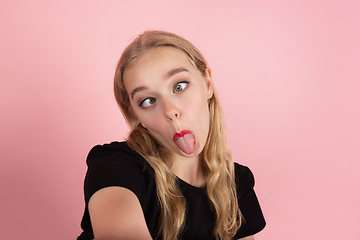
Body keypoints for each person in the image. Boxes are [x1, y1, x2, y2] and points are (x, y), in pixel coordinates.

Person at [77, 30, 265, 240]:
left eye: (179, 86)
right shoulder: (116, 166)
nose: (169, 111)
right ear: (136, 114)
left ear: (207, 83)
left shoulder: (236, 184)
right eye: (148, 101)